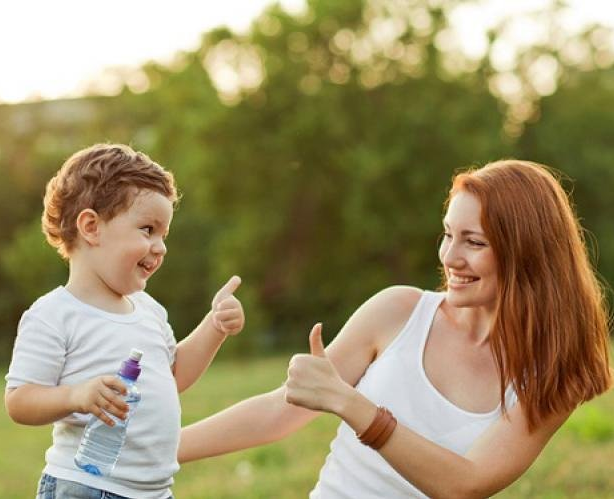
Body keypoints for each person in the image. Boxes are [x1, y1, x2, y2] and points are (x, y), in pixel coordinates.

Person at [179, 160, 612, 498]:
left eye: (474, 242)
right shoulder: (398, 311)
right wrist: (159, 447)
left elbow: (465, 485)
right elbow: (280, 411)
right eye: (447, 235)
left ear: (527, 253)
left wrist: (352, 405)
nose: (450, 257)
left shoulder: (556, 371)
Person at [4, 144, 245, 499]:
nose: (161, 247)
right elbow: (20, 400)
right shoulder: (54, 314)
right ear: (91, 227)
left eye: (164, 234)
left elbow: (174, 375)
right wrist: (76, 396)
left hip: (153, 491)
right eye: (148, 229)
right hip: (86, 487)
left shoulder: (148, 310)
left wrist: (215, 326)